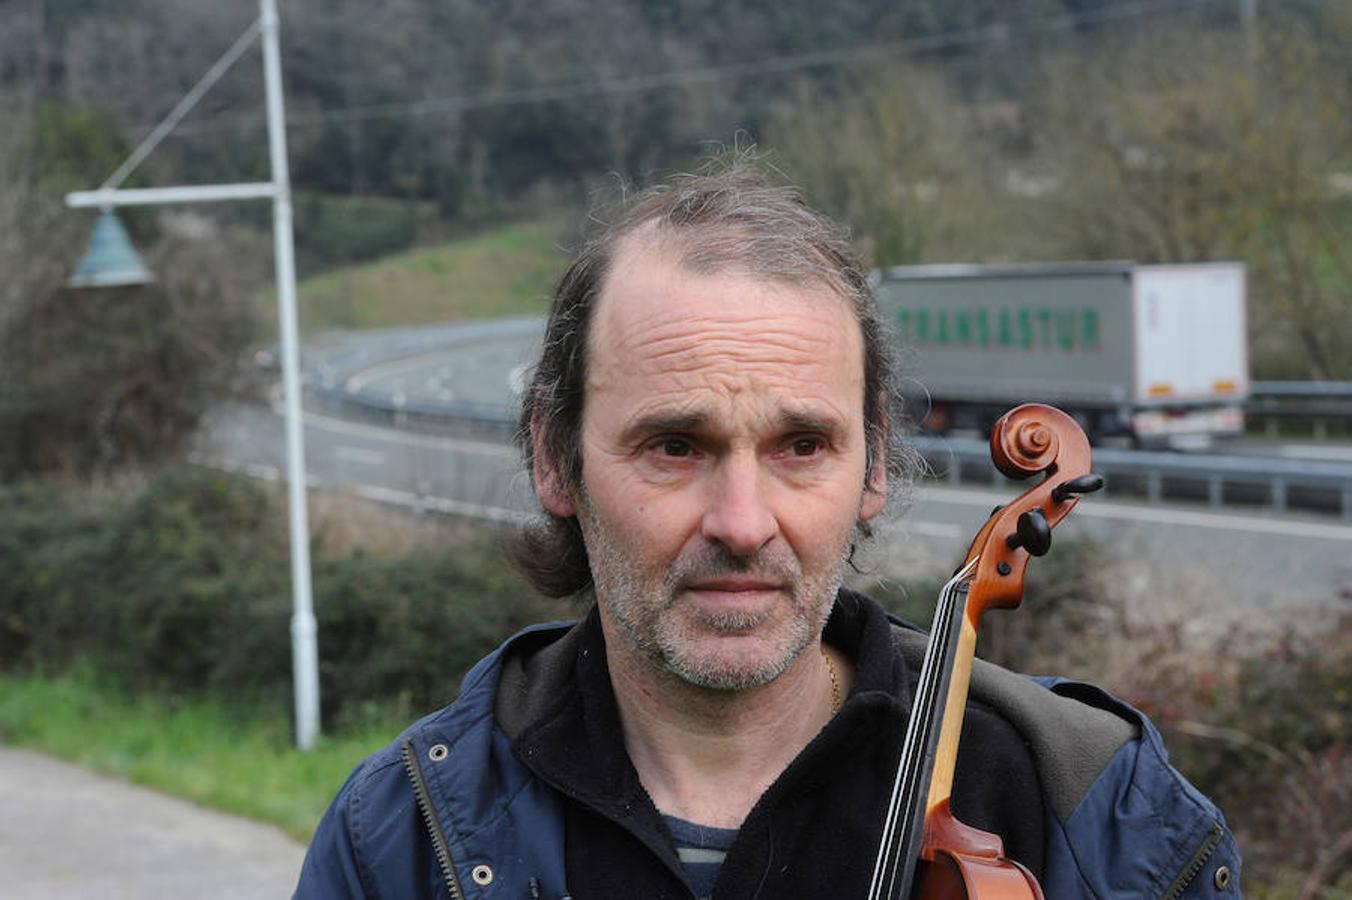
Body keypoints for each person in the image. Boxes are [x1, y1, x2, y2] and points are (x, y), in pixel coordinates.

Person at [295, 162, 1240, 899]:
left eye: (800, 446)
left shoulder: (1094, 810)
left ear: (873, 467)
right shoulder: (404, 837)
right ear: (556, 461)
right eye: (673, 444)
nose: (744, 524)